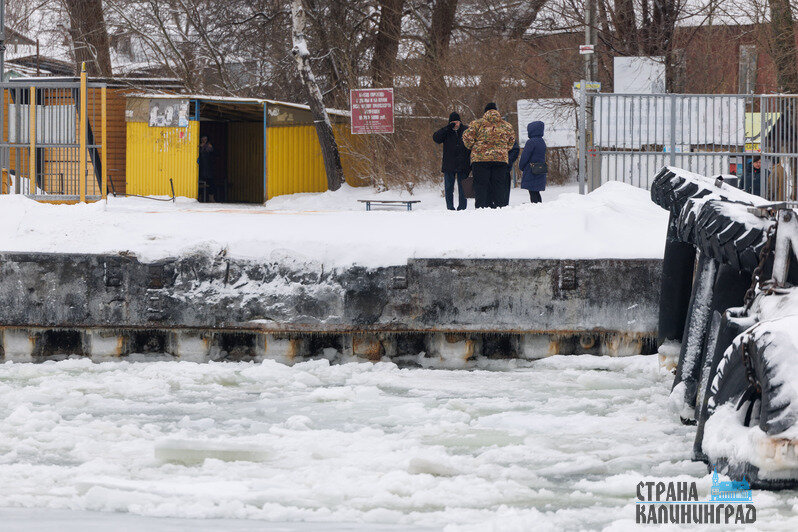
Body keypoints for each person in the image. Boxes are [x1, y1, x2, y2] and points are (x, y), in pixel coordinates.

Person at [461, 103, 516, 209]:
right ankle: (499, 208)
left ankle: (481, 208)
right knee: (498, 185)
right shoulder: (506, 125)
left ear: (485, 112)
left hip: (480, 160)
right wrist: (502, 150)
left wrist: (474, 147)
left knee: (481, 185)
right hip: (500, 160)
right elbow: (511, 142)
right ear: (497, 111)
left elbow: (467, 138)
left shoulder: (476, 124)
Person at [432, 112, 470, 210]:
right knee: (448, 188)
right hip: (449, 164)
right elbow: (436, 138)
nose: (455, 124)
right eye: (453, 122)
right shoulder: (446, 131)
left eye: (457, 122)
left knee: (463, 188)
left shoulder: (466, 130)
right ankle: (450, 207)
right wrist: (447, 128)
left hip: (463, 164)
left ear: (460, 122)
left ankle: (462, 207)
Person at [519, 121, 547, 203]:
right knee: (536, 191)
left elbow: (525, 156)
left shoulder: (531, 142)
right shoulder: (542, 141)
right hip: (540, 169)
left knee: (532, 191)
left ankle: (535, 207)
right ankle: (539, 206)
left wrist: (521, 166)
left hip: (531, 170)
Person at [499, 140, 520, 207]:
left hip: (503, 169)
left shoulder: (506, 130)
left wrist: (507, 162)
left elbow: (515, 149)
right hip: (485, 169)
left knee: (503, 202)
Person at [198, 135, 215, 201]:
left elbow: (213, 153)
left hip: (209, 168)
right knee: (199, 184)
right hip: (201, 168)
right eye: (203, 139)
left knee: (211, 183)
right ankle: (199, 198)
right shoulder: (200, 146)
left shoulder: (209, 146)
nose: (204, 141)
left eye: (205, 139)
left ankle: (211, 198)